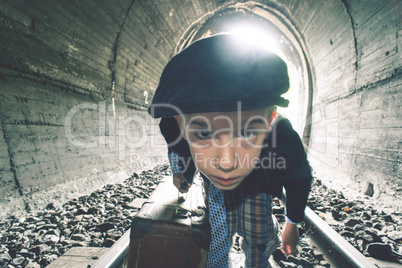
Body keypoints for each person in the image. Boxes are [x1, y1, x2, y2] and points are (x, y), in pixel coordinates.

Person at [148, 34, 312, 268]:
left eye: (246, 133)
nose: (226, 163)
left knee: (259, 238)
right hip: (216, 191)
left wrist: (292, 223)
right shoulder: (173, 127)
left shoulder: (283, 136)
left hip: (257, 187)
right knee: (217, 239)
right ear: (181, 125)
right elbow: (177, 147)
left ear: (270, 121)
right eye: (204, 134)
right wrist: (181, 172)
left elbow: (299, 178)